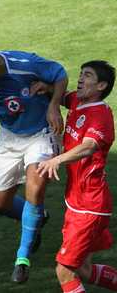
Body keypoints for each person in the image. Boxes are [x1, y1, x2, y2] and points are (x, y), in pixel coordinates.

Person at [0, 27, 68, 283]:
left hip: (41, 132)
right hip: (9, 136)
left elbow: (60, 74)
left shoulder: (24, 63)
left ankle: (22, 259)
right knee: (0, 204)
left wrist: (53, 105)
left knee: (35, 187)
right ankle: (37, 218)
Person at [37, 60, 117, 292]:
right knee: (83, 269)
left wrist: (56, 160)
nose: (81, 79)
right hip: (79, 204)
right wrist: (43, 86)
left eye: (88, 76)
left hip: (89, 207)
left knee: (64, 271)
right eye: (81, 74)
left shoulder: (100, 114)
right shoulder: (77, 102)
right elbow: (59, 93)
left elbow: (89, 146)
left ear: (101, 85)